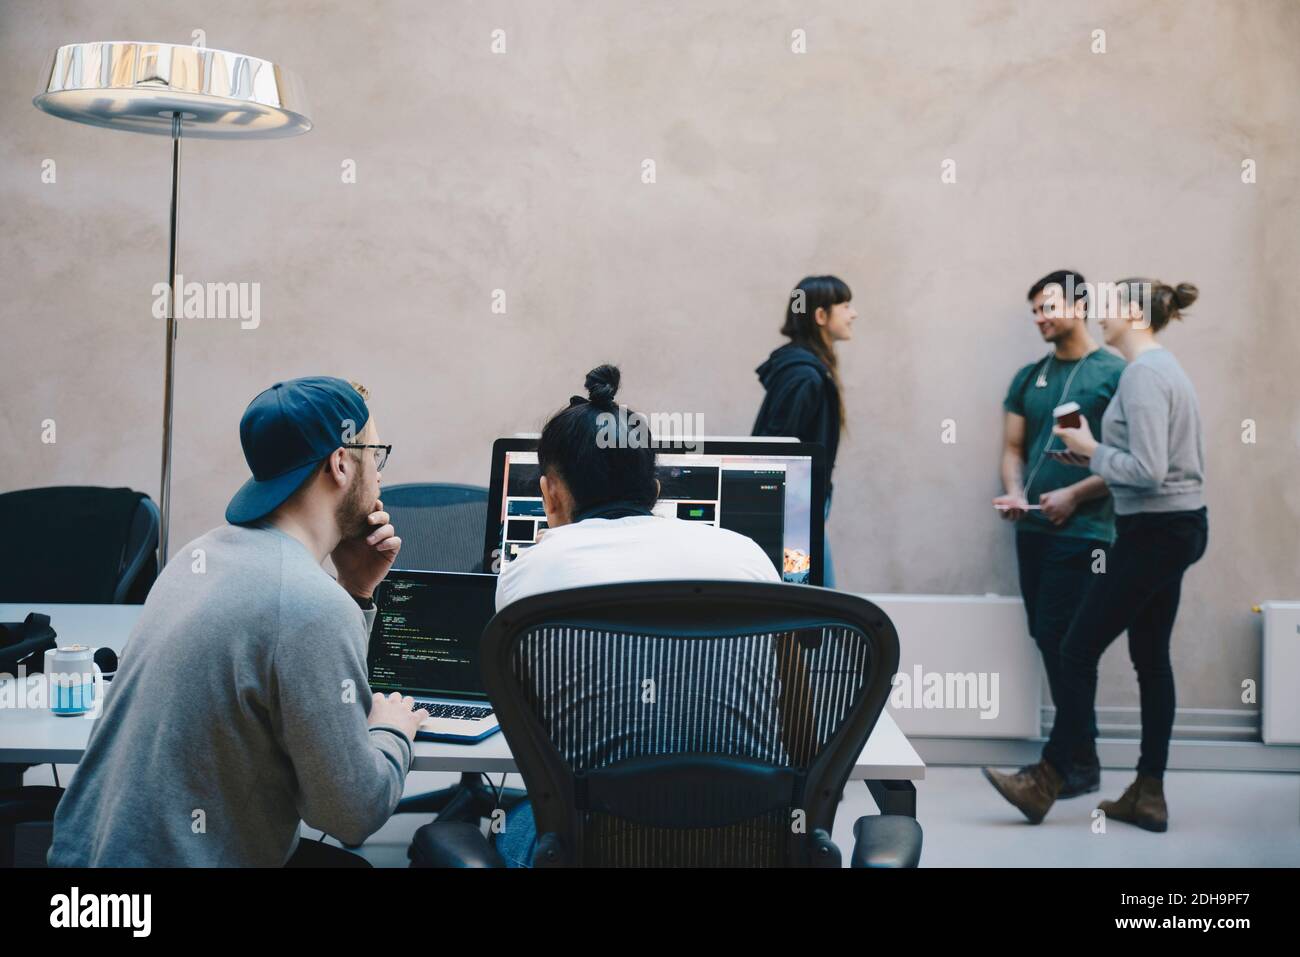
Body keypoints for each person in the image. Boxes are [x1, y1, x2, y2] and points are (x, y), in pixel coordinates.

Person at [49, 376, 428, 866]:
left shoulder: (198, 556)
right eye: (375, 455)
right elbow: (351, 814)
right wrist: (392, 729)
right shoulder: (308, 605)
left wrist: (354, 591)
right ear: (340, 464)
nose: (378, 475)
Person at [493, 364, 784, 866]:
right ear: (654, 492)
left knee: (507, 817)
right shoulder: (749, 556)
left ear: (550, 493)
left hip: (599, 843)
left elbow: (532, 734)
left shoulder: (528, 576)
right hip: (747, 839)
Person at [983, 280, 1208, 832]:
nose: (1102, 318)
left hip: (1156, 531)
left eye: (1109, 309)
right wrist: (1090, 457)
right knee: (1150, 659)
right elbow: (1142, 461)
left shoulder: (1142, 375)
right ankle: (1146, 793)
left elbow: (1149, 471)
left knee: (1076, 649)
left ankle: (1049, 778)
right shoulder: (1159, 370)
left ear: (1132, 313)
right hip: (1169, 528)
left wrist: (1090, 450)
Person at [992, 270, 1126, 798]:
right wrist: (1013, 492)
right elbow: (1012, 451)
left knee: (1067, 642)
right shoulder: (1029, 377)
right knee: (1051, 639)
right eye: (1034, 311)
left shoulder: (1116, 374)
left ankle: (1065, 762)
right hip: (1032, 530)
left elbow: (1129, 459)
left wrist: (1075, 495)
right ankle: (1082, 760)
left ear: (1079, 306)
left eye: (1048, 307)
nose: (1040, 319)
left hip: (1087, 532)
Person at [752, 275, 856, 587]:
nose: (854, 314)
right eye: (846, 305)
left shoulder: (807, 371)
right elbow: (775, 449)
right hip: (796, 512)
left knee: (811, 601)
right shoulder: (804, 376)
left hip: (800, 506)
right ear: (821, 316)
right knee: (815, 602)